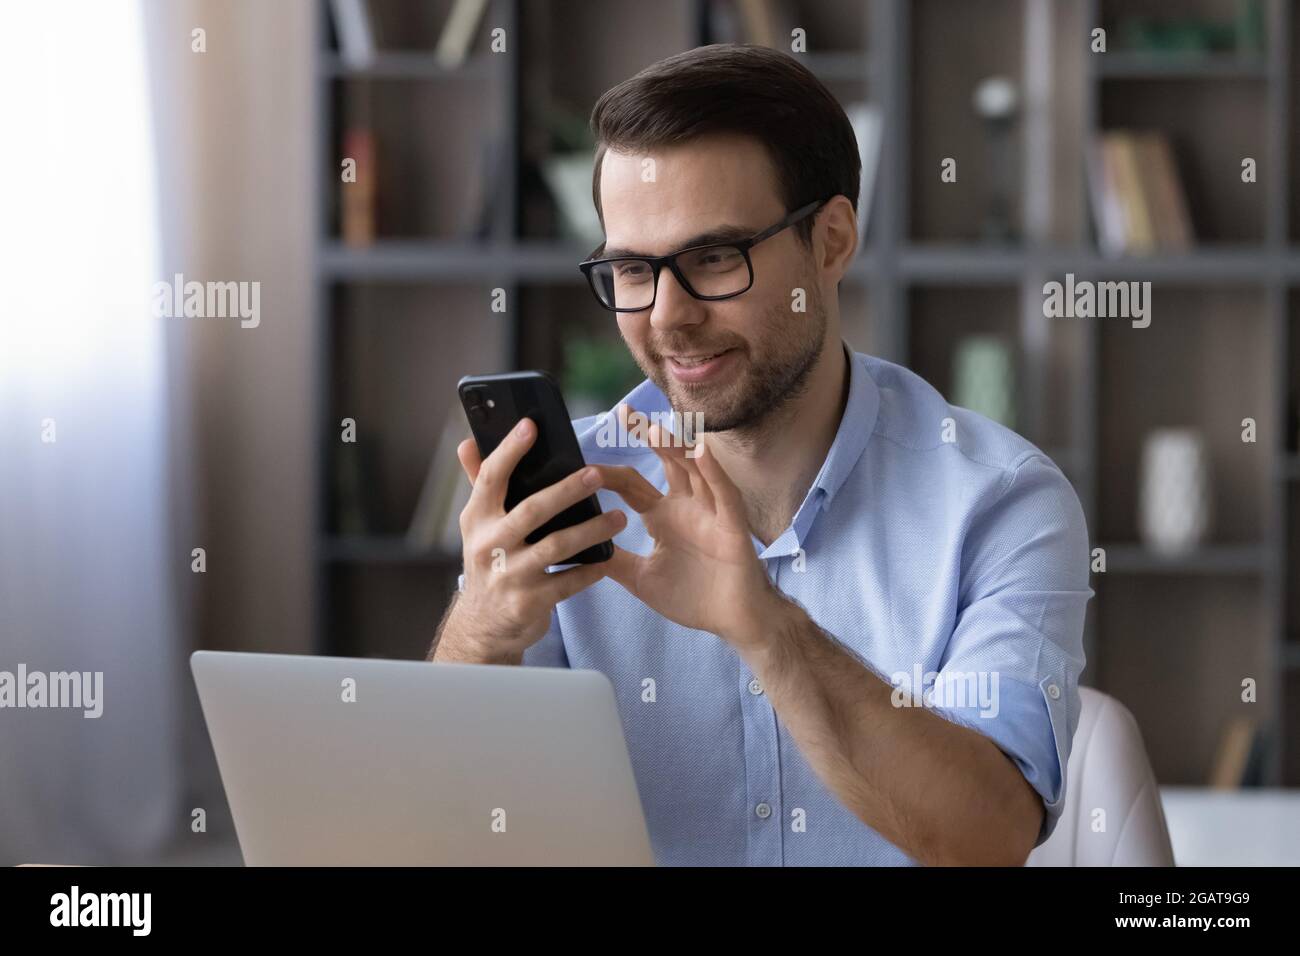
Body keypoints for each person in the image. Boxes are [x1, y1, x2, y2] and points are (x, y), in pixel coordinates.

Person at [430, 44, 1090, 866]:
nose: (667, 318)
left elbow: (987, 837)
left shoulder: (999, 500)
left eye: (713, 258)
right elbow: (449, 831)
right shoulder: (569, 496)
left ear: (832, 242)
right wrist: (478, 638)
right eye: (634, 269)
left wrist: (765, 628)